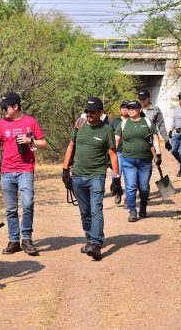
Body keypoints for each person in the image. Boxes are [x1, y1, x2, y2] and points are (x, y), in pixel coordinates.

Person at [0, 92, 47, 256]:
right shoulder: (1, 124)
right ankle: (13, 240)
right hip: (7, 171)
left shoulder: (30, 122)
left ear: (15, 106)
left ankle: (27, 239)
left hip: (25, 169)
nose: (3, 110)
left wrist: (30, 141)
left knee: (27, 204)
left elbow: (44, 144)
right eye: (2, 107)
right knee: (11, 209)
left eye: (5, 107)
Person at [62, 97, 122, 261]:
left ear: (100, 113)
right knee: (84, 211)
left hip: (96, 176)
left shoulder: (107, 130)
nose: (89, 114)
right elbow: (71, 146)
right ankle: (90, 238)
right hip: (78, 176)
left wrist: (116, 178)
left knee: (96, 210)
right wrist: (65, 169)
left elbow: (113, 155)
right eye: (87, 111)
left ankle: (95, 244)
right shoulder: (80, 126)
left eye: (92, 112)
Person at [115, 100, 162, 222]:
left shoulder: (147, 122)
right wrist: (111, 157)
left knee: (144, 187)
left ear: (139, 109)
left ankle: (143, 207)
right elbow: (116, 141)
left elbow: (155, 138)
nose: (130, 110)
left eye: (133, 108)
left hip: (145, 161)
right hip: (128, 161)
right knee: (131, 187)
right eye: (128, 108)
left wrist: (158, 153)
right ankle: (132, 211)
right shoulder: (123, 124)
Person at [109, 100, 129, 205]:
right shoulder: (115, 121)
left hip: (130, 153)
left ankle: (128, 197)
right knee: (116, 175)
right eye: (122, 107)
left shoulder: (133, 120)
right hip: (118, 153)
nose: (124, 109)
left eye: (126, 107)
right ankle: (118, 192)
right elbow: (109, 136)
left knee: (129, 176)